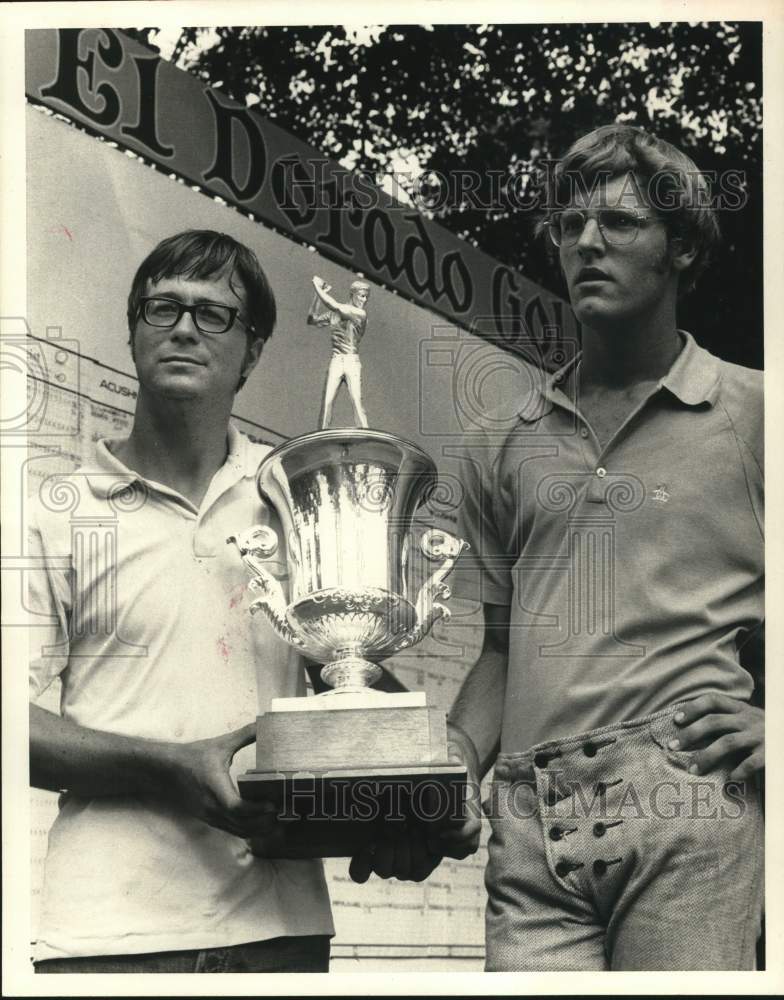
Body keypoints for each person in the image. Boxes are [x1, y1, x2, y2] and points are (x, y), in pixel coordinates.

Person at [442, 125, 764, 970]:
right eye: (570, 225)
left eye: (620, 224)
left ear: (683, 249)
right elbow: (503, 652)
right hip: (529, 824)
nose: (587, 242)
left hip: (686, 805)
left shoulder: (757, 415)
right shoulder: (499, 442)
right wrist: (445, 763)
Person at [28, 230, 336, 973]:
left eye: (214, 314)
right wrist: (168, 765)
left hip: (279, 931)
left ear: (253, 351)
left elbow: (351, 676)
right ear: (133, 333)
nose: (185, 328)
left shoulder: (299, 498)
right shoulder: (57, 512)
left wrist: (405, 793)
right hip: (107, 935)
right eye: (162, 308)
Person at [307, 275, 370, 429]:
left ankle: (365, 434)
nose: (364, 301)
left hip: (351, 361)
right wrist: (318, 293)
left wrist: (316, 286)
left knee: (356, 400)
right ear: (353, 294)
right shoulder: (335, 314)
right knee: (327, 402)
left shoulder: (360, 314)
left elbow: (334, 305)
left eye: (366, 298)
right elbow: (312, 319)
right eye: (362, 296)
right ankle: (321, 435)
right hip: (336, 360)